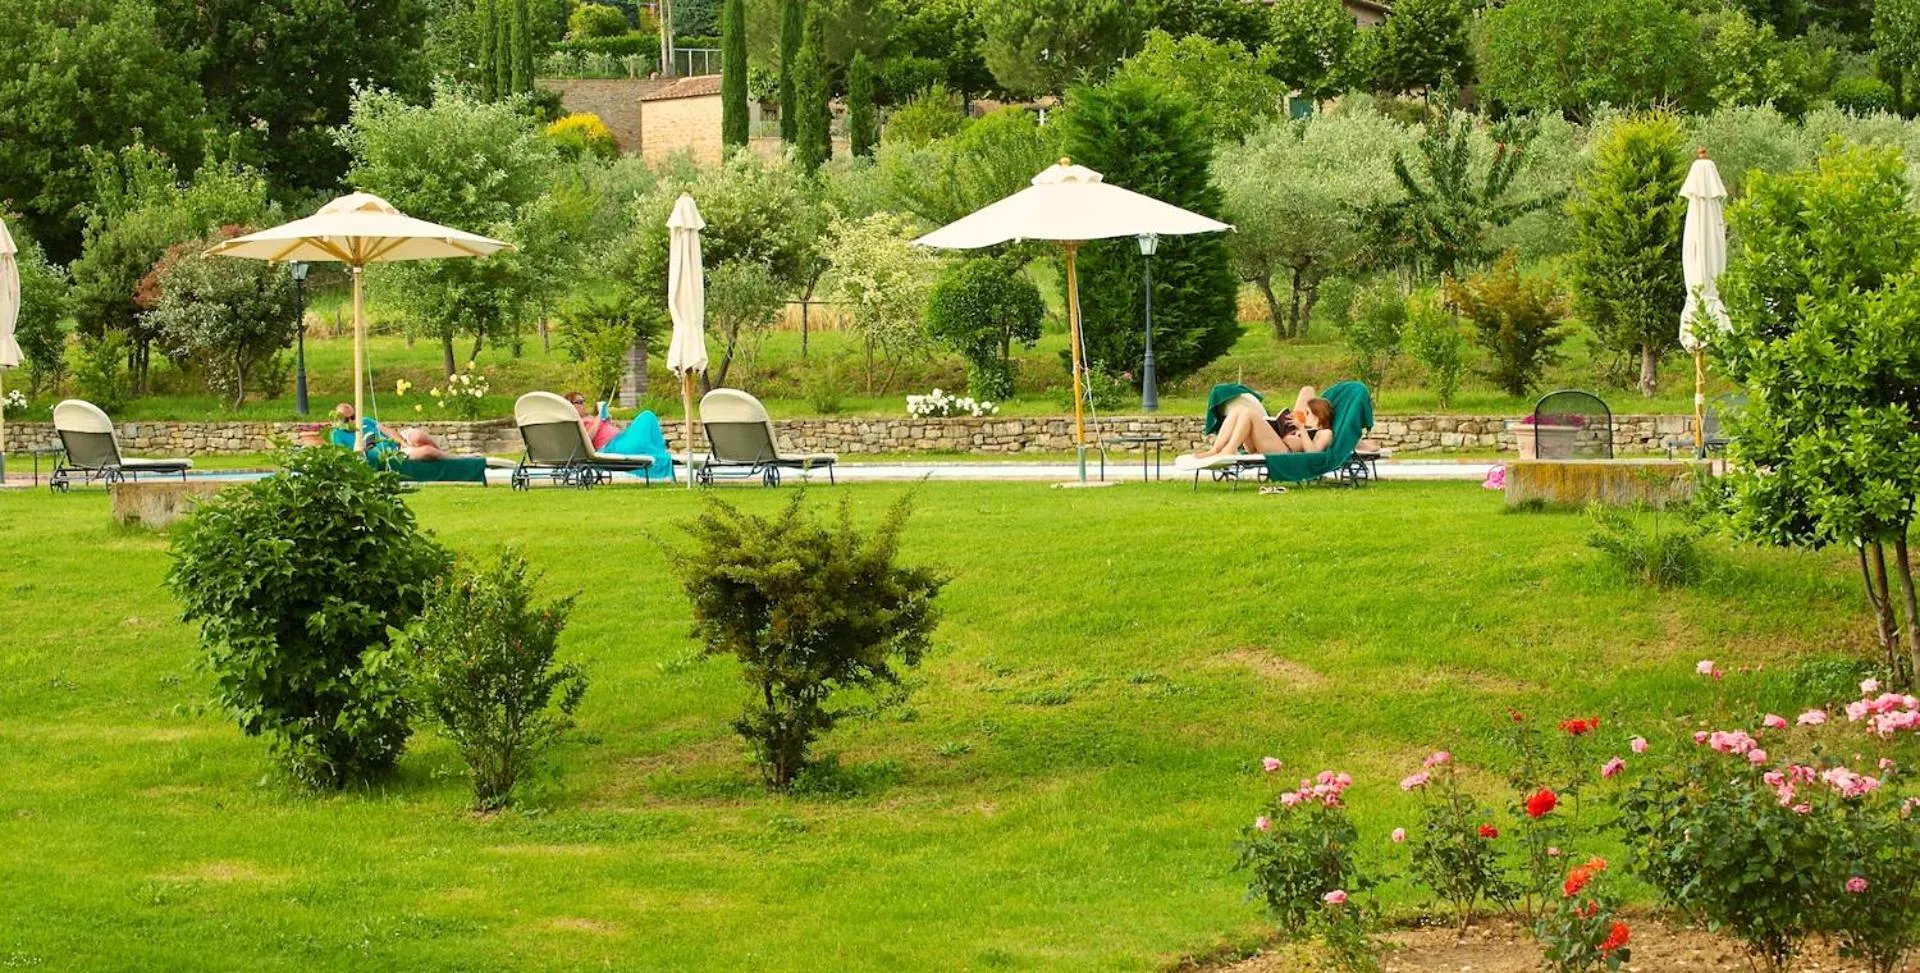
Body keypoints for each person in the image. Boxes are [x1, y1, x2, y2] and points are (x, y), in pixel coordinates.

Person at [1178, 385, 1334, 468]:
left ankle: (1229, 450)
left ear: (1318, 415)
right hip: (1271, 442)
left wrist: (1301, 429)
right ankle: (1215, 450)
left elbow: (1314, 454)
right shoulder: (1302, 422)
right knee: (1239, 410)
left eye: (1308, 413)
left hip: (1285, 451)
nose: (1304, 415)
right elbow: (1307, 389)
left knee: (1249, 414)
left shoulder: (1324, 432)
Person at [330, 402, 448, 461]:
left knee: (417, 435)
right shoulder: (337, 434)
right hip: (390, 454)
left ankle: (444, 455)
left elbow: (389, 431)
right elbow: (346, 457)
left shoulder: (365, 420)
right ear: (338, 419)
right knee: (427, 451)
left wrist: (404, 443)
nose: (352, 421)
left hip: (397, 442)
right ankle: (450, 460)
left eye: (353, 417)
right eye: (346, 419)